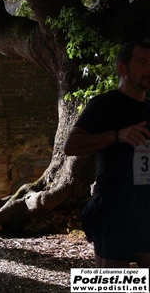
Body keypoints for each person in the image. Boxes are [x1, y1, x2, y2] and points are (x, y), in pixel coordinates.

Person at [64, 40, 150, 268]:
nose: (149, 69)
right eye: (143, 63)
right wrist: (117, 135)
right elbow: (71, 146)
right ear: (124, 69)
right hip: (114, 208)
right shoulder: (104, 105)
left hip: (146, 207)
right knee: (112, 282)